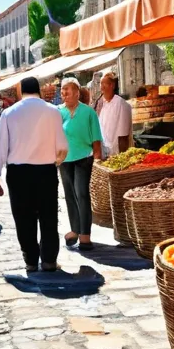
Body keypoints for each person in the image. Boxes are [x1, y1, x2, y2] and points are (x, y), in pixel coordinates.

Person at [0, 77, 68, 273]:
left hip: (19, 173)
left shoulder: (9, 113)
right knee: (49, 216)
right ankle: (49, 259)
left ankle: (31, 260)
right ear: (39, 90)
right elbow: (62, 146)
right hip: (46, 171)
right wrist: (55, 161)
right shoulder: (53, 112)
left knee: (23, 217)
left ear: (21, 91)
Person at [58, 78, 103, 251]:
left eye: (67, 90)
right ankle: (75, 230)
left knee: (82, 193)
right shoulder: (58, 112)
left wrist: (98, 157)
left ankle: (85, 235)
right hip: (64, 159)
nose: (64, 93)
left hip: (84, 158)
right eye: (62, 90)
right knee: (69, 195)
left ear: (77, 92)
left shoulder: (88, 112)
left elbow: (96, 139)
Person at [98, 73, 132, 157]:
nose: (101, 87)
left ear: (112, 85)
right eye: (100, 84)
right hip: (104, 151)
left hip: (117, 152)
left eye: (104, 83)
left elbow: (123, 134)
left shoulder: (121, 103)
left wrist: (122, 157)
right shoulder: (101, 104)